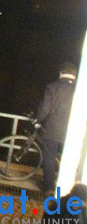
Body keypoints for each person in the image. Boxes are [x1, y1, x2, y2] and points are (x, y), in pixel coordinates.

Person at [38, 62, 77, 194]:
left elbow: (45, 108)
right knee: (71, 158)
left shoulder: (52, 86)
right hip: (74, 130)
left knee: (49, 156)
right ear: (75, 75)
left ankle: (48, 186)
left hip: (53, 128)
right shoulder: (81, 88)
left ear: (60, 72)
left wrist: (38, 120)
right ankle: (68, 187)